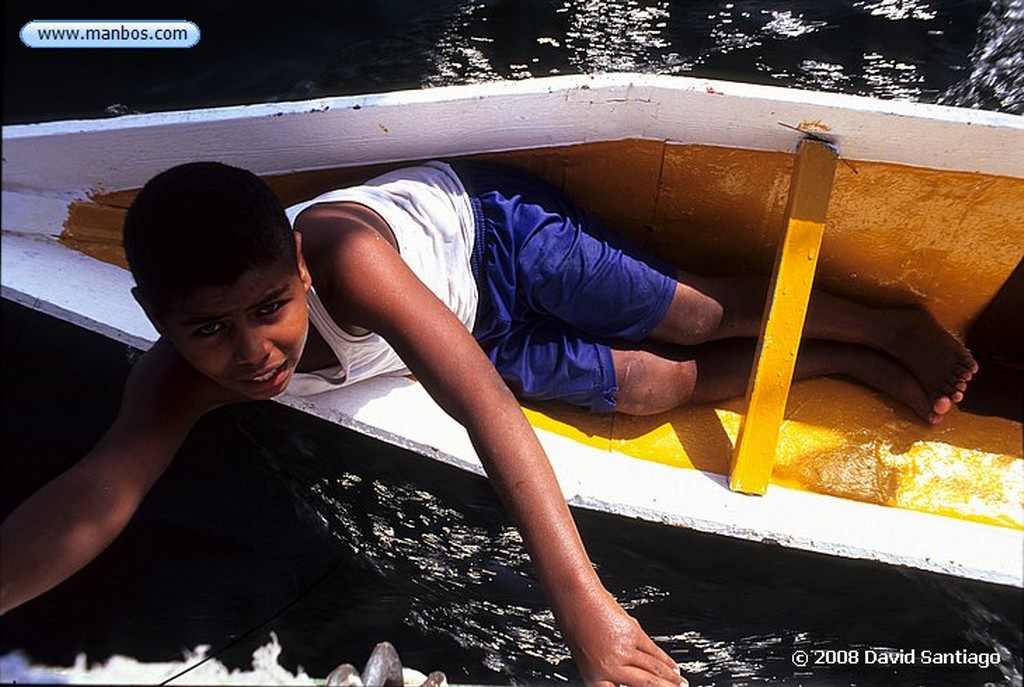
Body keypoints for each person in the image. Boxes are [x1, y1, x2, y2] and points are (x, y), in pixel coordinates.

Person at [0, 160, 977, 686]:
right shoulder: (179, 378)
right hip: (476, 328)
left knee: (690, 315)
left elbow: (480, 406)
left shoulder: (345, 258)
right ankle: (843, 357)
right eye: (207, 330)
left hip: (499, 239)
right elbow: (97, 493)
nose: (252, 351)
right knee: (654, 389)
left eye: (269, 310)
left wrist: (582, 606)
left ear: (301, 274)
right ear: (157, 319)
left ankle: (877, 323)